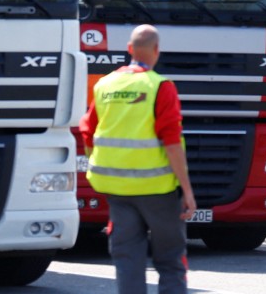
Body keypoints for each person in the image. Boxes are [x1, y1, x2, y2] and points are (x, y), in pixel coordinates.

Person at [79, 24, 196, 294]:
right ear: (156, 51)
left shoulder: (105, 84)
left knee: (127, 259)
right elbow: (172, 143)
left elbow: (87, 133)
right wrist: (187, 190)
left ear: (129, 50)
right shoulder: (159, 86)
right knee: (170, 260)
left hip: (117, 189)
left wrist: (99, 169)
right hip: (158, 190)